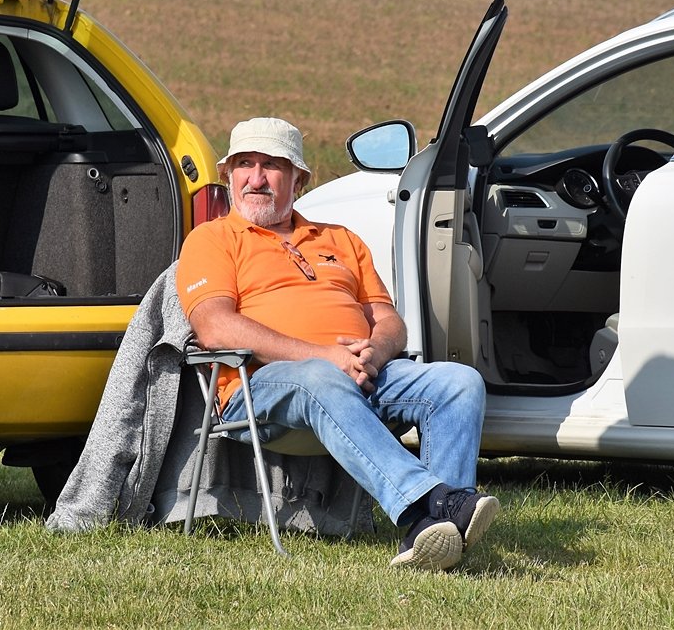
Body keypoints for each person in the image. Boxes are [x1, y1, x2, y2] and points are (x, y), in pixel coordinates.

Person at [176, 116, 499, 570]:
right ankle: (435, 504)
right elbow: (214, 327)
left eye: (272, 166)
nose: (256, 178)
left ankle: (433, 536)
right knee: (318, 376)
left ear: (298, 181)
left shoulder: (341, 239)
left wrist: (377, 350)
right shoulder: (212, 239)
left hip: (362, 374)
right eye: (244, 164)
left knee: (458, 382)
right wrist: (325, 357)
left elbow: (387, 319)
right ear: (229, 176)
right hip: (261, 387)